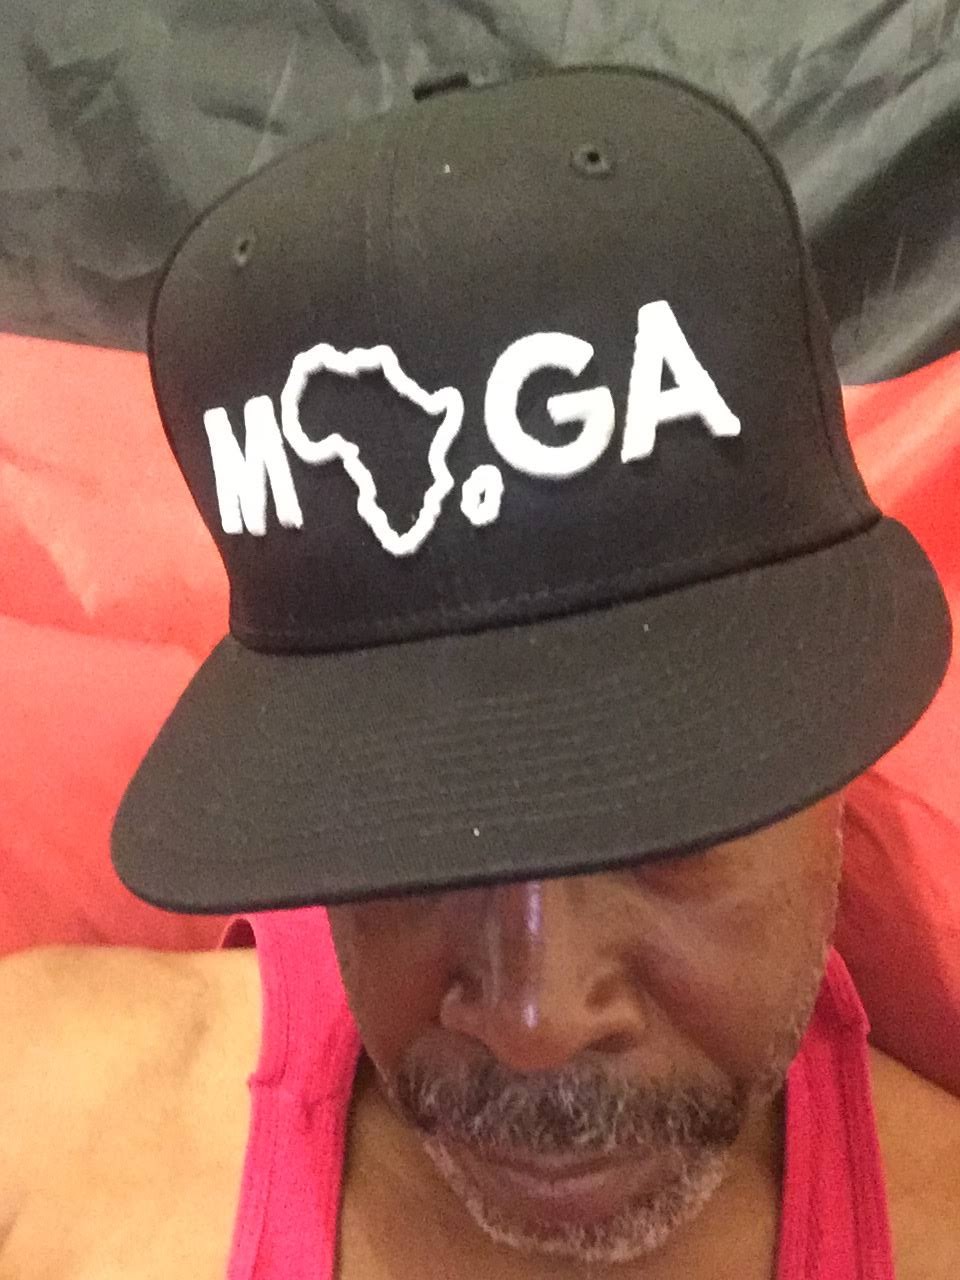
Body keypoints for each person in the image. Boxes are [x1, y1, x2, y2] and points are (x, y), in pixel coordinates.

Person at [1, 65, 958, 1280]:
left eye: (666, 819)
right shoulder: (37, 1131)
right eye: (414, 844)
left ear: (836, 759)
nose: (534, 1017)